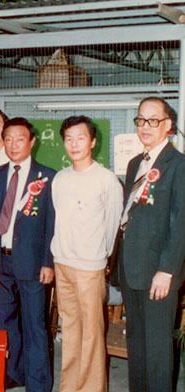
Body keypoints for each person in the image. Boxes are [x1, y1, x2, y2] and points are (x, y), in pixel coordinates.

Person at [0, 117, 55, 391]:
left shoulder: (48, 177)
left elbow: (52, 224)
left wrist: (47, 262)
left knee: (34, 325)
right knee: (3, 323)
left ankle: (38, 383)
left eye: (20, 139)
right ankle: (12, 373)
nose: (14, 144)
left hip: (31, 263)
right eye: (8, 139)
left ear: (32, 142)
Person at [112, 97, 185, 392]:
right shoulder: (134, 164)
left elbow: (181, 222)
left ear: (168, 125)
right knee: (137, 345)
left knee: (157, 350)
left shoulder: (178, 164)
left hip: (158, 272)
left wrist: (167, 270)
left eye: (153, 120)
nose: (145, 127)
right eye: (141, 120)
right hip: (132, 266)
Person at [51, 116, 123, 392]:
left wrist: (99, 258)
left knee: (92, 334)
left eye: (80, 137)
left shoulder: (106, 180)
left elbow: (113, 226)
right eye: (69, 138)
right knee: (70, 332)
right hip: (63, 264)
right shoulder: (60, 178)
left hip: (90, 267)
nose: (74, 144)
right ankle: (69, 387)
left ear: (93, 141)